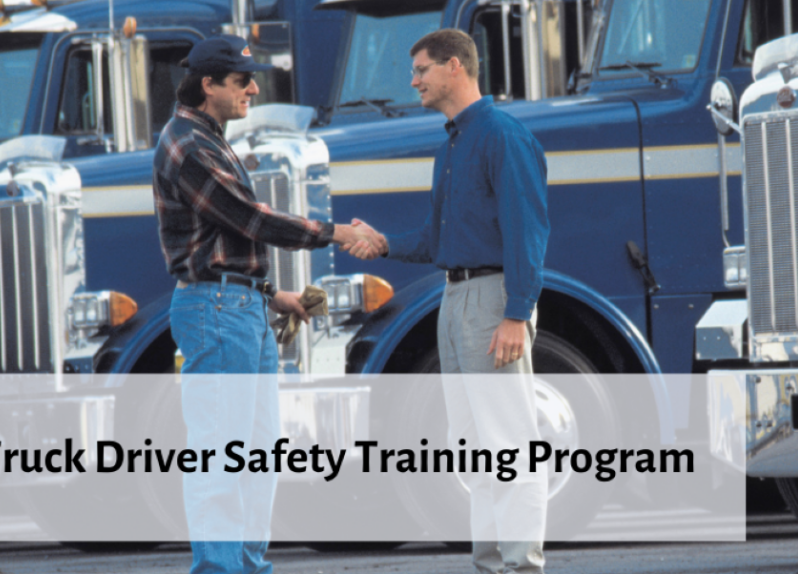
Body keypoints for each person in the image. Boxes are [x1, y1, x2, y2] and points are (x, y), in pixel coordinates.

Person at [152, 34, 384, 574]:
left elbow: (219, 240)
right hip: (216, 314)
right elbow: (249, 218)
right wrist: (337, 232)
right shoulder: (188, 144)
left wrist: (268, 293)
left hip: (236, 309)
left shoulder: (205, 134)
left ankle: (248, 566)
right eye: (241, 81)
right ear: (208, 84)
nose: (254, 89)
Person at [349, 29, 550, 574]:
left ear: (455, 66)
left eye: (421, 70)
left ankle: (523, 566)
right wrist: (384, 242)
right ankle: (490, 565)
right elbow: (440, 241)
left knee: (508, 441)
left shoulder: (502, 137)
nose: (413, 81)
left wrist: (515, 313)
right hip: (455, 296)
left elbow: (527, 232)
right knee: (477, 448)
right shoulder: (453, 144)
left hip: (491, 299)